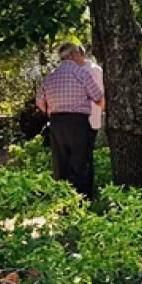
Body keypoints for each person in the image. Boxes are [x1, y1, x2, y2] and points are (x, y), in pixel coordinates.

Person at [35, 43, 105, 198]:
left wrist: (50, 111)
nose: (82, 56)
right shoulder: (81, 74)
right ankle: (82, 200)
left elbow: (39, 101)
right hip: (77, 122)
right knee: (81, 162)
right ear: (73, 55)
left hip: (56, 122)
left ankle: (63, 200)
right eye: (80, 53)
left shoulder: (51, 76)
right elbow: (98, 98)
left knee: (61, 163)